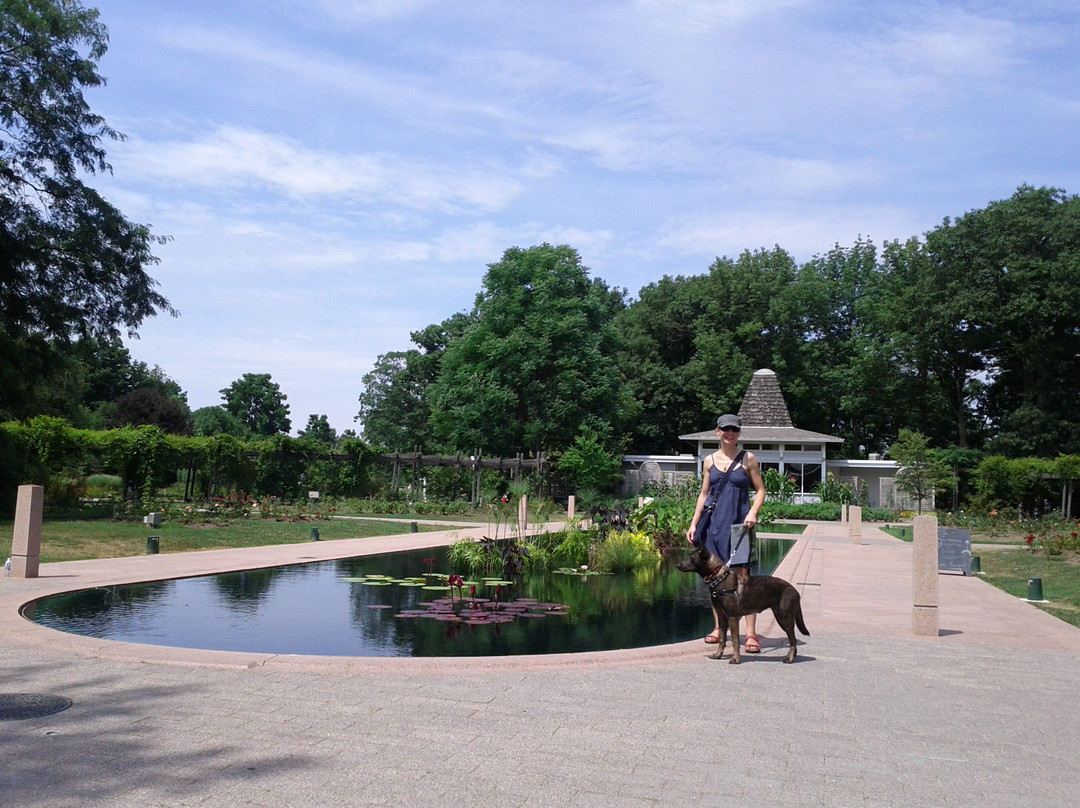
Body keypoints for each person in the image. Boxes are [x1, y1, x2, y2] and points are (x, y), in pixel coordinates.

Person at [686, 413, 767, 651]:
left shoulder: (748, 458)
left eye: (734, 429)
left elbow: (760, 490)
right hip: (714, 527)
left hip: (740, 526)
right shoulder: (709, 460)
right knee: (716, 579)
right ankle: (718, 628)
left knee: (743, 579)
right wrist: (694, 523)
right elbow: (704, 494)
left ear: (739, 433)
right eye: (726, 429)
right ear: (718, 432)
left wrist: (753, 512)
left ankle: (751, 634)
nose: (730, 433)